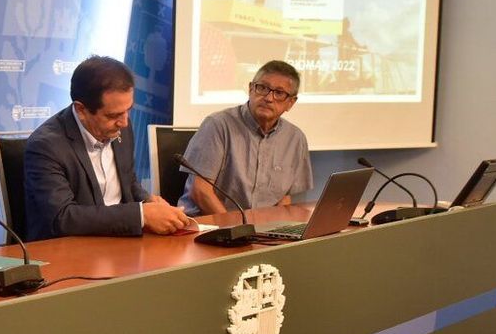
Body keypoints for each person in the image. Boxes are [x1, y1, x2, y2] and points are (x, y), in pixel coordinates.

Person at [24, 55, 190, 241]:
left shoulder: (122, 127)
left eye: (128, 110)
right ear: (81, 109)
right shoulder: (46, 146)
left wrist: (147, 201)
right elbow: (63, 218)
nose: (125, 122)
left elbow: (128, 182)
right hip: (70, 250)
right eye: (113, 115)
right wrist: (142, 215)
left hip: (120, 242)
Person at [178, 60, 312, 216]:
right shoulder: (218, 125)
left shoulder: (295, 139)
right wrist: (238, 230)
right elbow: (201, 192)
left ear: (291, 103)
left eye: (279, 93)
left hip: (260, 231)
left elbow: (285, 198)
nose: (269, 98)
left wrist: (276, 230)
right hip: (210, 225)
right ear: (250, 89)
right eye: (262, 88)